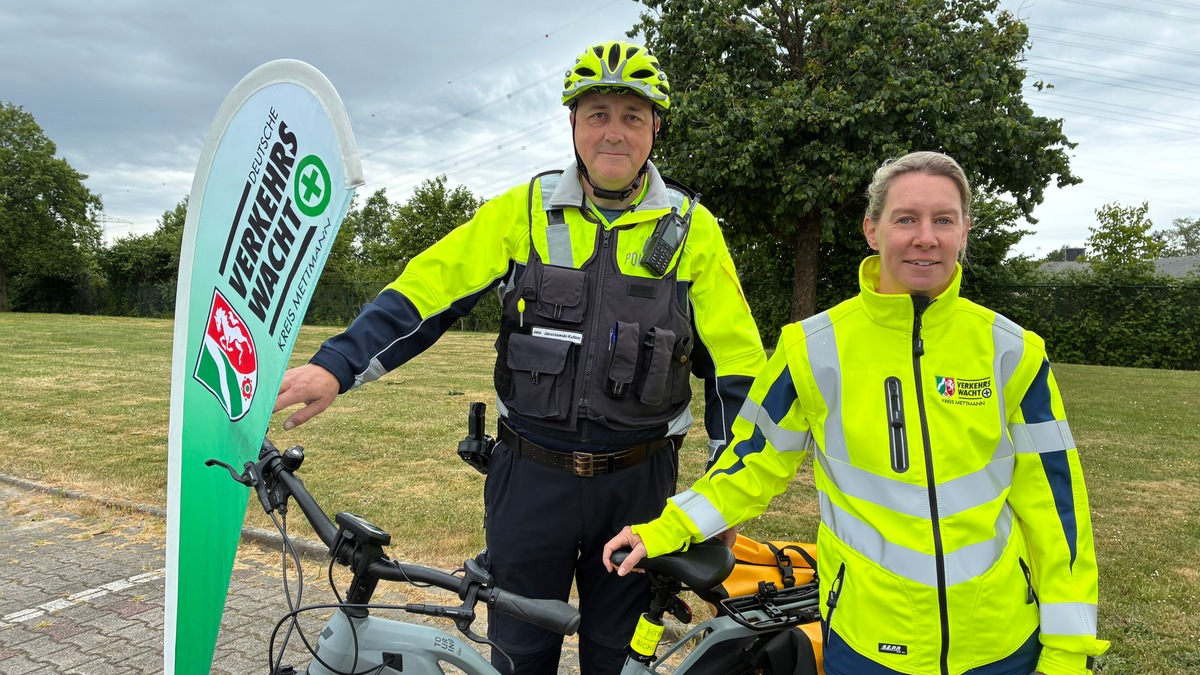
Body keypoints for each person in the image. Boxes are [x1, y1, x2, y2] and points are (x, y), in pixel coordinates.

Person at [273, 40, 766, 675]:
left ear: (654, 128)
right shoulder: (521, 214)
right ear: (572, 124)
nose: (613, 132)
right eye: (597, 114)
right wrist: (337, 365)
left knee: (617, 659)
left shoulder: (696, 232)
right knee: (519, 653)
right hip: (530, 480)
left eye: (631, 116)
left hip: (640, 489)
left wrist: (724, 495)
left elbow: (737, 369)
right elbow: (424, 294)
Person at [604, 151, 1110, 675]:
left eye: (944, 220)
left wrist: (1069, 652)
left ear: (964, 232)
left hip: (1002, 646)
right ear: (872, 230)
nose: (925, 237)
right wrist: (666, 528)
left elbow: (1058, 511)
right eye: (906, 219)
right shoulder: (810, 347)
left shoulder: (1013, 351)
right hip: (866, 645)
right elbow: (750, 464)